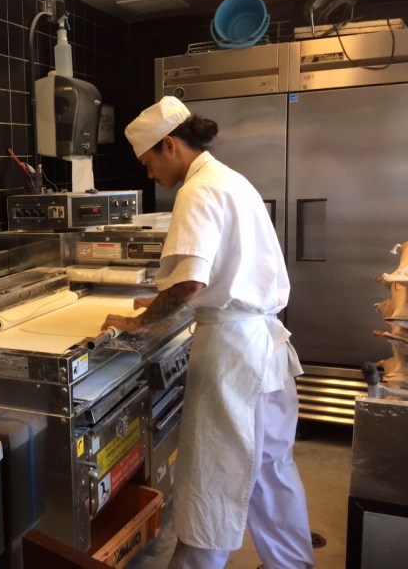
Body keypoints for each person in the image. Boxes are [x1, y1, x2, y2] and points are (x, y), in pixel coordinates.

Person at [102, 97, 315, 569]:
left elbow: (193, 281)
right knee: (270, 472)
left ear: (170, 145)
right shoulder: (230, 180)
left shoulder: (197, 191)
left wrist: (142, 321)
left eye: (148, 162)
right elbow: (213, 275)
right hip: (266, 352)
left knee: (214, 479)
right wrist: (163, 299)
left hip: (234, 360)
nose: (150, 175)